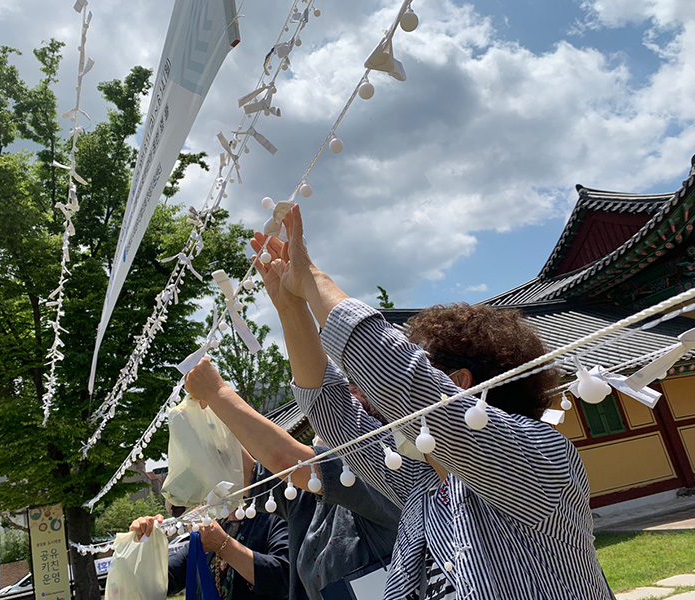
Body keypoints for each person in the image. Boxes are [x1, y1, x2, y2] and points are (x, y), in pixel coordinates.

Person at [249, 204, 615, 600]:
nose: (370, 391)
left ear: (458, 384)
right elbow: (332, 410)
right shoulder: (422, 482)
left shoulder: (536, 459)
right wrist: (290, 307)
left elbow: (400, 379)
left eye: (422, 361)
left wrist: (313, 279)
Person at [184, 357, 400, 600]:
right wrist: (208, 417)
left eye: (330, 426)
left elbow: (284, 459)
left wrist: (217, 391)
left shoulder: (381, 482)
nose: (317, 432)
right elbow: (249, 473)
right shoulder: (311, 498)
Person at [130, 447, 289, 600]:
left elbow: (284, 579)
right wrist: (142, 546)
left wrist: (223, 545)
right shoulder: (214, 524)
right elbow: (163, 581)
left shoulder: (275, 516)